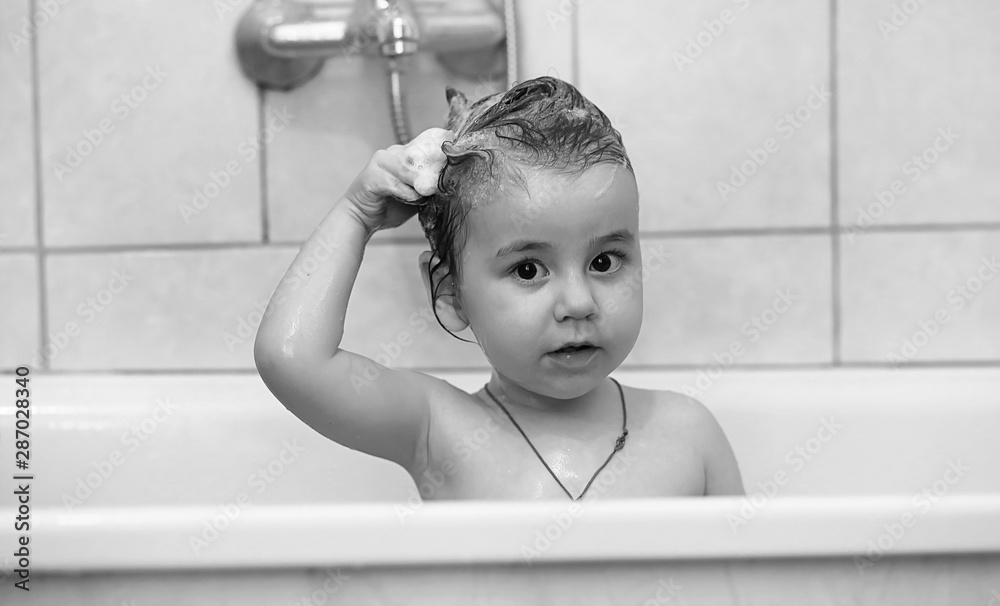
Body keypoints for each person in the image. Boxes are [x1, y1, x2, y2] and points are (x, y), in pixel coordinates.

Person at [254, 76, 744, 500]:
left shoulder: (688, 435)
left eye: (603, 261)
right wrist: (356, 214)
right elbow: (291, 358)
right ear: (451, 293)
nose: (578, 303)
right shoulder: (438, 431)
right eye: (529, 270)